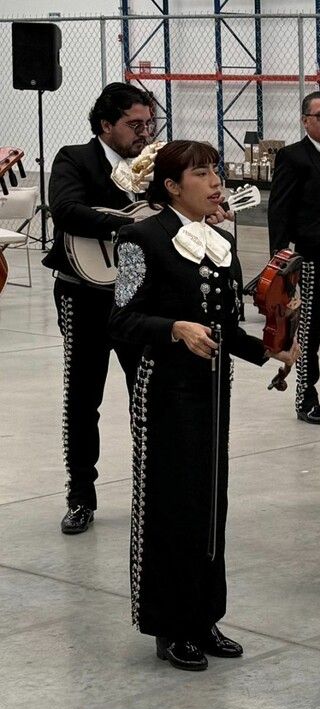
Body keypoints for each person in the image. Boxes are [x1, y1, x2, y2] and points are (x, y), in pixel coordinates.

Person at [109, 140, 296, 671]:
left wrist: (270, 352)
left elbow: (227, 327)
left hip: (214, 389)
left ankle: (205, 615)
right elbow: (121, 319)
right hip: (164, 388)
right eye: (201, 172)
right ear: (171, 186)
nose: (215, 181)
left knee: (211, 502)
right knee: (171, 504)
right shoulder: (139, 238)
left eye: (215, 170)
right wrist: (174, 329)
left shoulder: (219, 240)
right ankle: (170, 623)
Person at [42, 82, 156, 535]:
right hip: (82, 294)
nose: (144, 133)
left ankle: (150, 493)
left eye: (148, 123)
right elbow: (66, 210)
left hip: (137, 294)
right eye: (134, 125)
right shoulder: (75, 158)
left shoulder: (154, 166)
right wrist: (130, 223)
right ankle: (80, 496)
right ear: (106, 125)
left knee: (145, 395)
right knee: (82, 398)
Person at [268, 91, 320, 425]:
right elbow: (279, 210)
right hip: (310, 258)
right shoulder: (294, 156)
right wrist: (279, 262)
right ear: (305, 120)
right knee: (309, 332)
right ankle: (306, 398)